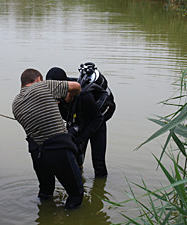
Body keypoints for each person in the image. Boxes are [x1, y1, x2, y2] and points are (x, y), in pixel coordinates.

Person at [12, 68, 84, 209]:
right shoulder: (44, 86)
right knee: (76, 194)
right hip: (59, 150)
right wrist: (67, 98)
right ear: (39, 79)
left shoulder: (15, 104)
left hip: (38, 155)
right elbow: (77, 87)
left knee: (46, 193)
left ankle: (44, 217)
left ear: (21, 85)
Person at [46, 63, 115, 178]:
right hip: (78, 123)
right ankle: (80, 185)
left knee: (99, 164)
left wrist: (82, 138)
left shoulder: (83, 95)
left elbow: (97, 119)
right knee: (75, 160)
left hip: (96, 124)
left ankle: (100, 187)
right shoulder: (54, 94)